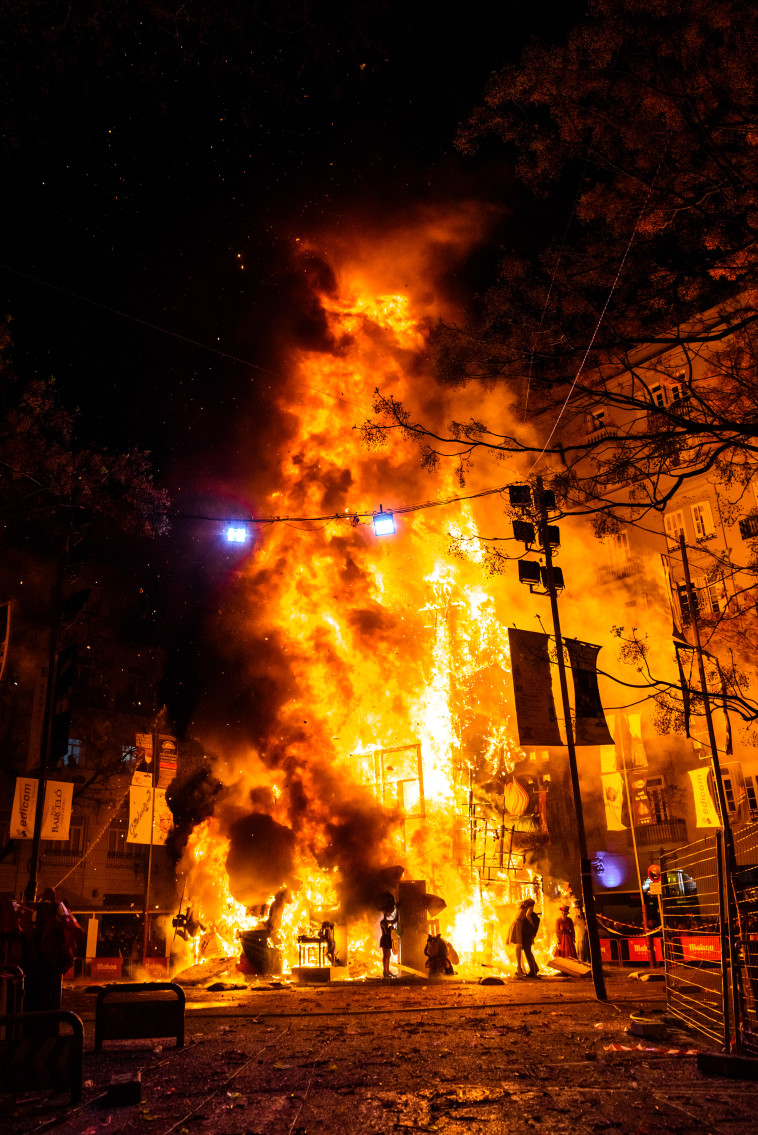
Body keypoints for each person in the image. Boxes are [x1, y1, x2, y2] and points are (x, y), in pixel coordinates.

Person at [506, 898, 540, 977]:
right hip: (520, 924)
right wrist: (532, 924)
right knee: (522, 947)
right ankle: (525, 969)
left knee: (522, 947)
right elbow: (528, 915)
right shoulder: (530, 907)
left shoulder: (521, 906)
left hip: (516, 923)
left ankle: (529, 968)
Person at [379, 909, 397, 978]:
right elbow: (386, 929)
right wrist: (390, 926)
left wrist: (397, 909)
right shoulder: (382, 922)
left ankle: (387, 970)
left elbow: (395, 920)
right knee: (385, 955)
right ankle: (385, 971)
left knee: (388, 955)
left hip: (388, 939)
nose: (386, 915)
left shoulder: (388, 922)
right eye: (385, 914)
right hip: (384, 939)